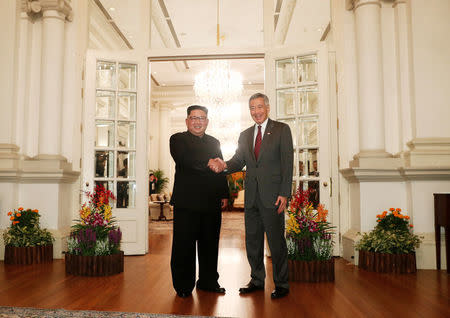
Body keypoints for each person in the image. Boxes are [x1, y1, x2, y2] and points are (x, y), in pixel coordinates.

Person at [209, 93, 293, 299]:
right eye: (252, 108)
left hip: (273, 196)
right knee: (253, 241)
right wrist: (224, 165)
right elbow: (239, 160)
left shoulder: (282, 130)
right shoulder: (245, 134)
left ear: (268, 107)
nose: (256, 112)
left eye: (259, 107)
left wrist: (284, 193)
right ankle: (256, 279)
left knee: (276, 242)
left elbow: (287, 163)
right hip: (252, 196)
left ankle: (282, 283)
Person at [169, 105, 229, 298]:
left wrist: (224, 194)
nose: (197, 121)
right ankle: (183, 286)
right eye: (193, 118)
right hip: (186, 203)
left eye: (201, 118)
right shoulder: (177, 139)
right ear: (187, 121)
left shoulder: (215, 141)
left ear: (207, 121)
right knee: (184, 246)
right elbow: (185, 160)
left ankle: (208, 282)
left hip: (211, 202)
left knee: (210, 244)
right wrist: (208, 162)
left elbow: (220, 169)